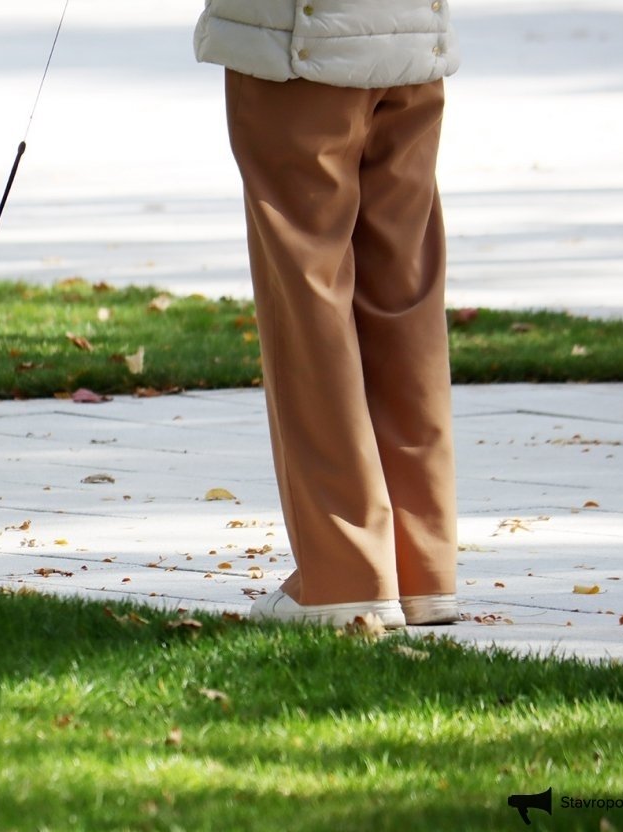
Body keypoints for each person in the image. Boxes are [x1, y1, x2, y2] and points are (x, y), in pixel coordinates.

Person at [195, 0, 462, 628]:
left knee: (308, 299)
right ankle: (421, 566)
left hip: (302, 50)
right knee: (404, 295)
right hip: (411, 45)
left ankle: (347, 575)